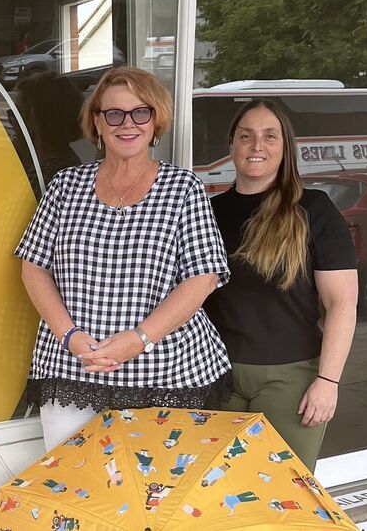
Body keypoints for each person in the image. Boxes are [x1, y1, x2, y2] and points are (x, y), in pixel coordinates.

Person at [14, 67, 232, 451]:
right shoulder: (66, 186)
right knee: (76, 486)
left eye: (140, 112)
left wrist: (139, 339)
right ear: (97, 122)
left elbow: (203, 277)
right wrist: (71, 337)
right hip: (73, 364)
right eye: (113, 113)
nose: (126, 124)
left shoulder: (183, 188)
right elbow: (34, 266)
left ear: (156, 120)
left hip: (163, 370)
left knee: (154, 494)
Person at [203, 99, 358, 472]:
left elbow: (342, 304)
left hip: (290, 379)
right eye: (247, 136)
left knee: (283, 495)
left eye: (270, 136)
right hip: (216, 376)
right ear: (232, 146)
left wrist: (328, 381)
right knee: (221, 494)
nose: (257, 146)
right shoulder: (208, 211)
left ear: (285, 147)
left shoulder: (313, 209)